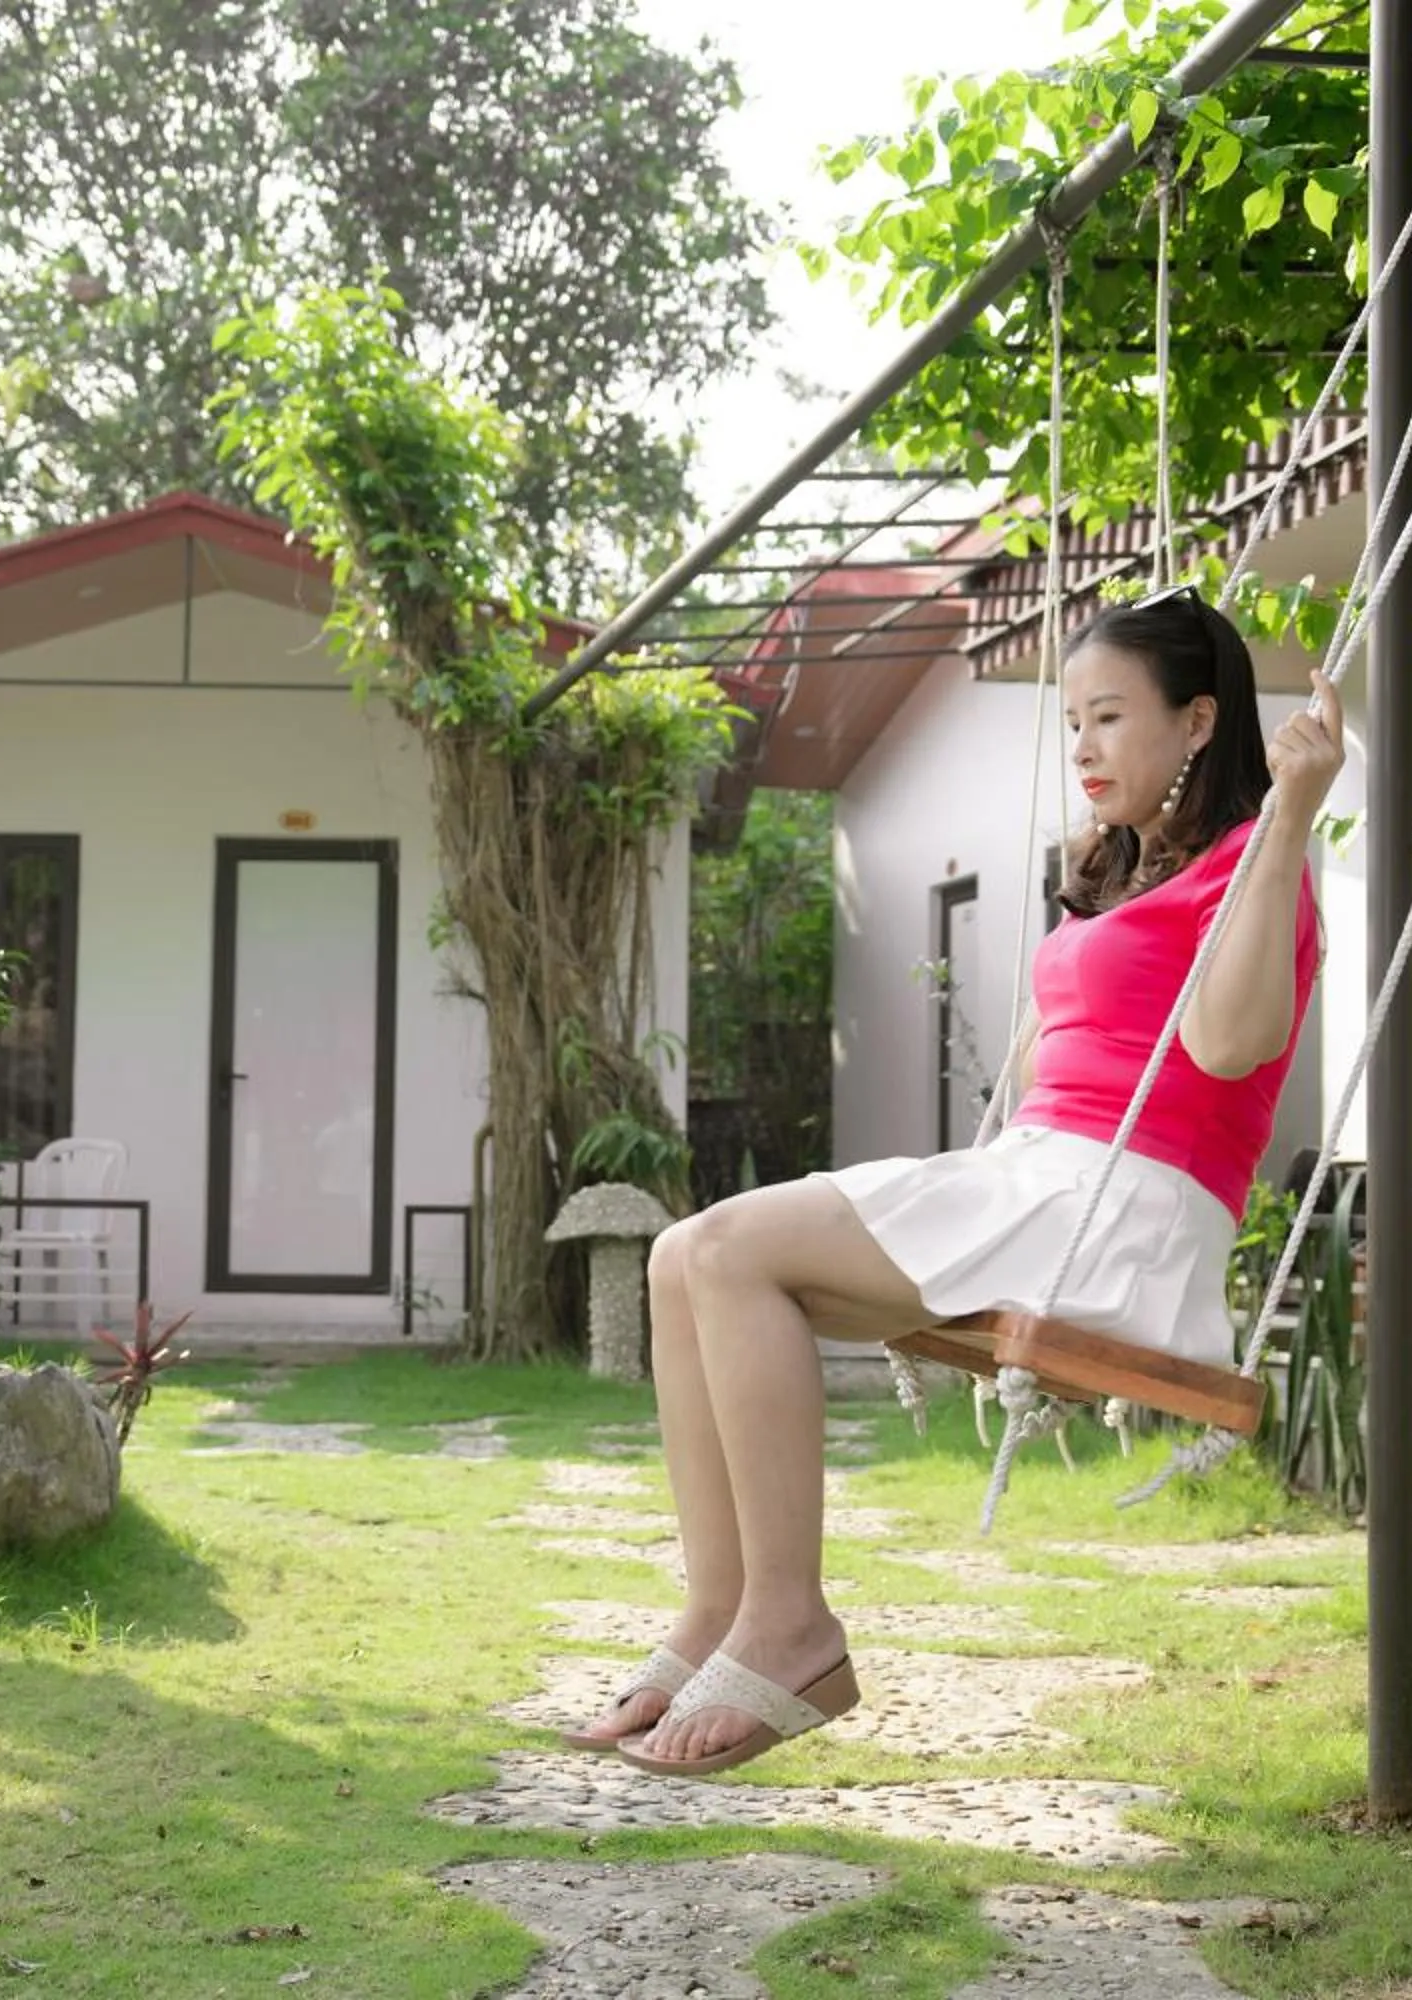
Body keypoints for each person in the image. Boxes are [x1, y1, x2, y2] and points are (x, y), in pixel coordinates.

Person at [564, 585, 1342, 1779]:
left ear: (1198, 721)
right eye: (1072, 721)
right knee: (681, 1257)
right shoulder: (1125, 868)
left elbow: (1231, 1046)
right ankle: (718, 1610)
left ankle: (791, 1624)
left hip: (1120, 1209)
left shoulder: (1254, 863)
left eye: (1110, 716)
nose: (1082, 745)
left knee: (725, 1251)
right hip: (1039, 1175)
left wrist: (1291, 816)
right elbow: (1052, 1067)